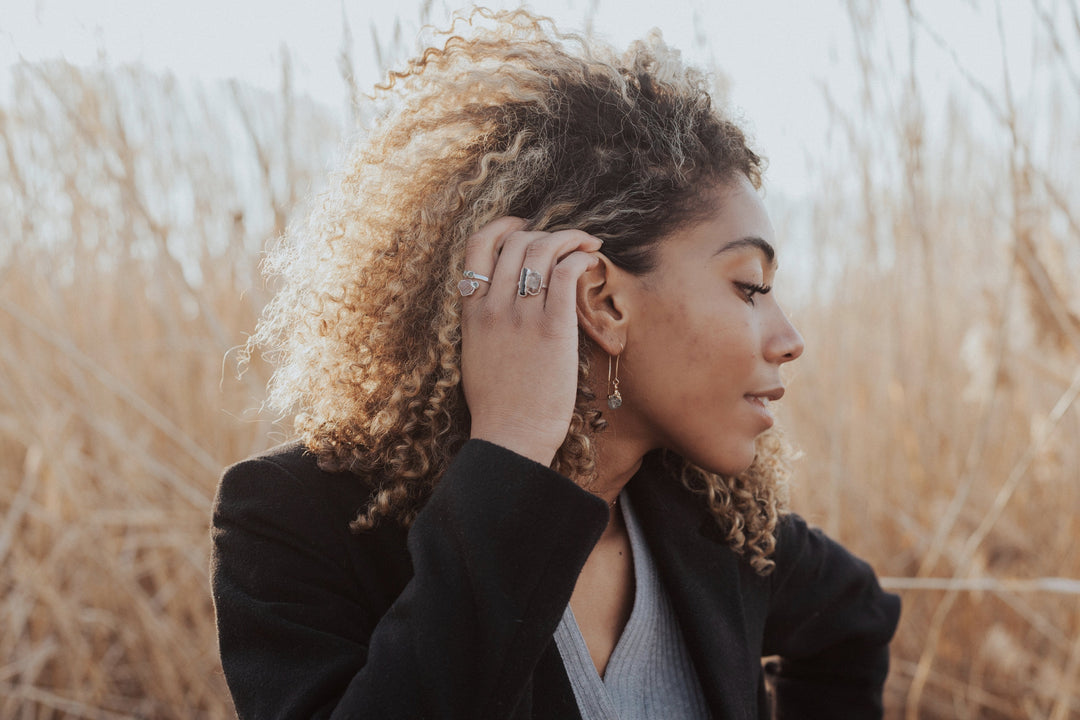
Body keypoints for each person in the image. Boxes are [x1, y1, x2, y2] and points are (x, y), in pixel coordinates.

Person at [210, 9, 901, 719]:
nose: (790, 338)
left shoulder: (714, 521)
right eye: (749, 286)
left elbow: (855, 622)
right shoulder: (300, 522)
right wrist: (511, 447)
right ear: (601, 302)